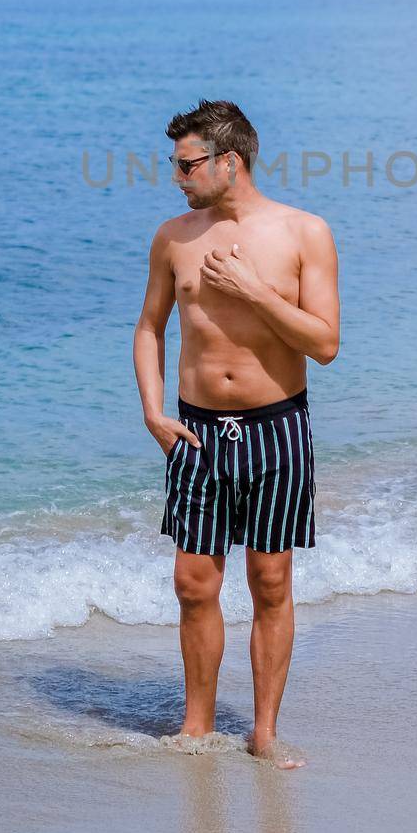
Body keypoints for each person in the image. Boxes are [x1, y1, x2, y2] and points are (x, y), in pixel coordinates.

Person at [133, 99, 340, 769]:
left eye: (188, 165)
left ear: (230, 161)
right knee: (193, 584)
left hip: (277, 427)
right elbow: (149, 329)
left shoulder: (304, 232)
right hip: (194, 431)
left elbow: (326, 344)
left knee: (271, 582)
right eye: (176, 165)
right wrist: (152, 408)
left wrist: (255, 294)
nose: (178, 177)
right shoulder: (174, 237)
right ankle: (195, 726)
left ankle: (265, 733)